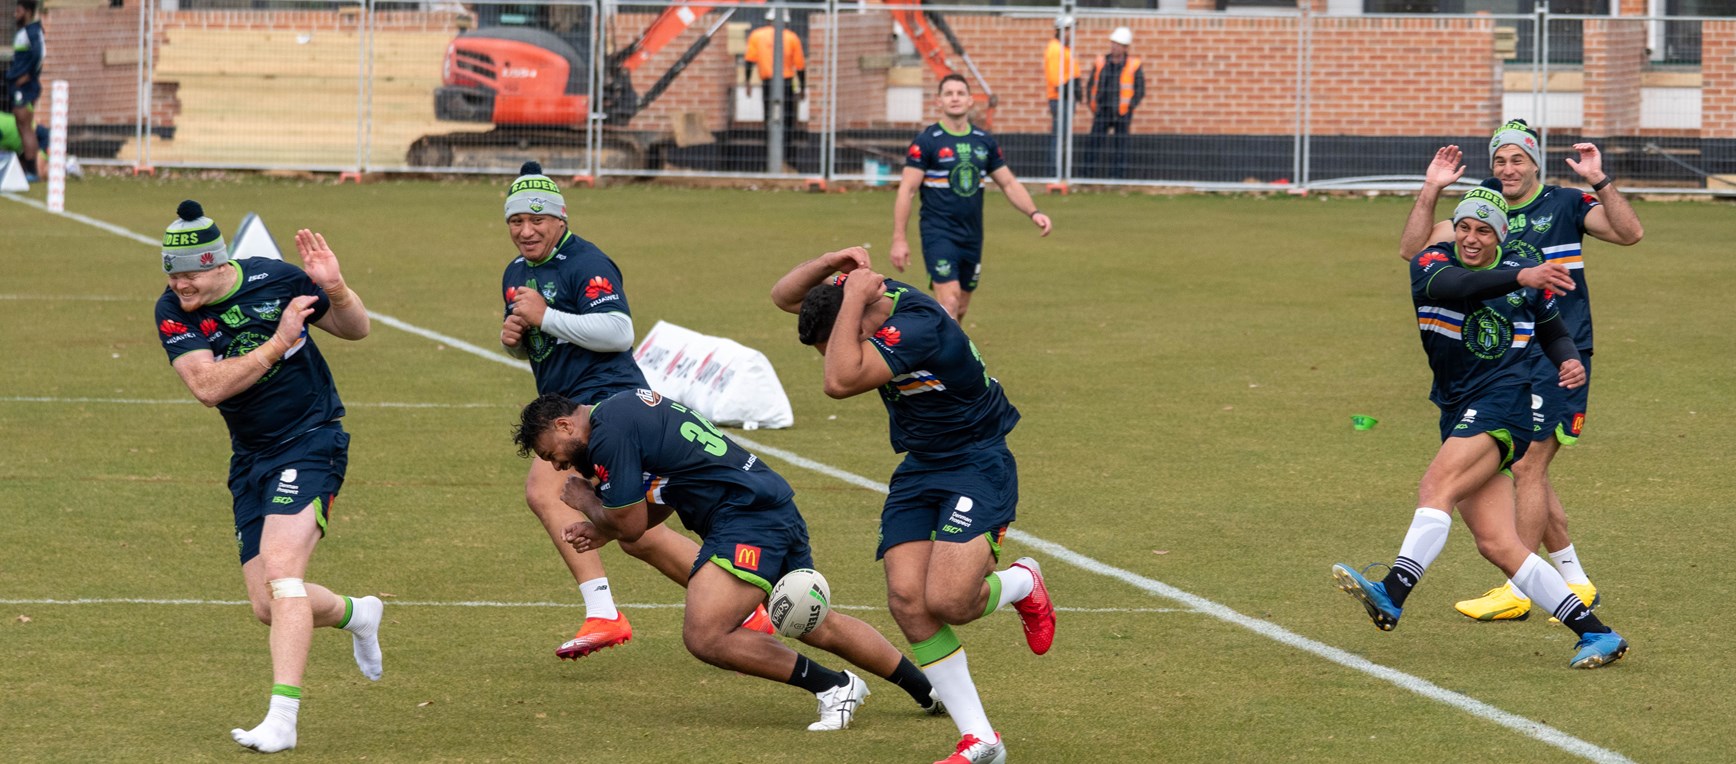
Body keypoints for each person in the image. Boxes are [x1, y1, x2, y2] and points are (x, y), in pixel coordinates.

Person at [513, 391, 949, 730]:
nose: (557, 466)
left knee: (706, 635)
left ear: (565, 423)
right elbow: (657, 503)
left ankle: (836, 687)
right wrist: (604, 526)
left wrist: (589, 503)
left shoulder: (608, 434)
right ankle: (930, 689)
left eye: (551, 453)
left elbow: (631, 525)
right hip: (767, 506)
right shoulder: (625, 410)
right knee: (813, 622)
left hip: (746, 519)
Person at [772, 247, 1058, 764]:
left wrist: (855, 293)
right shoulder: (854, 303)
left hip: (977, 461)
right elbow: (783, 297)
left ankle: (1022, 582)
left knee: (949, 601)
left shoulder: (917, 323)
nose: (831, 353)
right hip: (921, 465)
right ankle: (982, 739)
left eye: (839, 338)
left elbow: (839, 382)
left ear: (863, 315)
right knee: (907, 600)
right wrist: (832, 264)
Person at [1333, 188, 1629, 669]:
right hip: (1457, 407)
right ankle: (1597, 635)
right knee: (1498, 544)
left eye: (1484, 230)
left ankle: (1393, 591)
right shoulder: (1431, 263)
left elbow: (1552, 330)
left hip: (1502, 403)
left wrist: (1570, 361)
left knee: (1436, 486)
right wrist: (1521, 274)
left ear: (1499, 236)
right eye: (1465, 226)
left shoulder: (1524, 273)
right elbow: (1458, 287)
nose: (1471, 238)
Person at [152, 201, 384, 752]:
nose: (179, 283)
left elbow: (357, 330)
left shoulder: (276, 279)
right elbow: (207, 387)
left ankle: (282, 718)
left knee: (283, 572)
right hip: (250, 456)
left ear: (217, 264)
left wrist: (339, 290)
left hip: (312, 440)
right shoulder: (172, 309)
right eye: (171, 271)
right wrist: (278, 343)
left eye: (189, 272)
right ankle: (359, 613)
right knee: (268, 605)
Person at [1397, 121, 1644, 623]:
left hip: (1557, 354)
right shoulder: (1482, 211)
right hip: (1502, 358)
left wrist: (1599, 179)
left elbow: (1629, 233)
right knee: (1520, 465)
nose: (1508, 169)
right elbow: (1414, 249)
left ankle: (1517, 588)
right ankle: (1573, 580)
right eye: (1500, 161)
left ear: (1536, 163)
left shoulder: (1567, 204)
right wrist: (1432, 188)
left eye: (1517, 159)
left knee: (1529, 465)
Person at [496, 161, 739, 660]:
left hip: (607, 404)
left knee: (546, 489)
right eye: (516, 221)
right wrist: (515, 342)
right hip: (568, 413)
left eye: (537, 220)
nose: (526, 231)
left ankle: (604, 612)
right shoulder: (516, 273)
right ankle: (745, 605)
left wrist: (547, 317)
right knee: (638, 534)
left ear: (560, 219)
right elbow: (538, 344)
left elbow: (619, 331)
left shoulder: (587, 263)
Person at [890, 73, 1052, 321]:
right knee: (949, 301)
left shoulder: (983, 141)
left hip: (972, 234)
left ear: (970, 101)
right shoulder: (926, 142)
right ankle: (946, 360)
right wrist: (899, 239)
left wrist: (1034, 212)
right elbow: (907, 190)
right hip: (938, 232)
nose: (955, 98)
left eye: (960, 93)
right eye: (949, 93)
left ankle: (947, 351)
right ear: (939, 102)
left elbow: (1008, 182)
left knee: (961, 307)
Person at [743, 9, 805, 172]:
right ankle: (787, 161)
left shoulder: (757, 35)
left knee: (769, 120)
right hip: (787, 83)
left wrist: (747, 81)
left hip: (767, 83)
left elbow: (749, 61)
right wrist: (802, 88)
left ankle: (770, 161)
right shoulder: (791, 37)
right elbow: (800, 67)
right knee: (788, 122)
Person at [1084, 26, 1142, 179]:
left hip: (1122, 112)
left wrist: (1130, 106)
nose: (1114, 46)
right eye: (1113, 43)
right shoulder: (1101, 62)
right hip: (1102, 110)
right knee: (1093, 144)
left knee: (1121, 147)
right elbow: (1091, 85)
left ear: (1125, 47)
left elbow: (1140, 89)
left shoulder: (1133, 65)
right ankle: (1086, 177)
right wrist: (1092, 104)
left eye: (1118, 44)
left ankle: (1118, 178)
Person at [8, 0, 44, 181]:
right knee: (21, 127)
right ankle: (27, 168)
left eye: (19, 10)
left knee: (25, 126)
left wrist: (30, 75)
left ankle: (32, 171)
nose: (16, 13)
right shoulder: (24, 32)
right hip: (19, 85)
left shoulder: (33, 32)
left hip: (26, 87)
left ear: (28, 11)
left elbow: (40, 54)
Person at [1042, 15, 1081, 178]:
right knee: (1059, 138)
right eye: (1069, 30)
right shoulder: (1056, 49)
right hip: (1060, 99)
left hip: (1066, 98)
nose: (1072, 33)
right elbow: (1056, 79)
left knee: (1063, 138)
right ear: (1062, 30)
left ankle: (1060, 173)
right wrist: (1071, 87)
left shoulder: (1064, 49)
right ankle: (1056, 174)